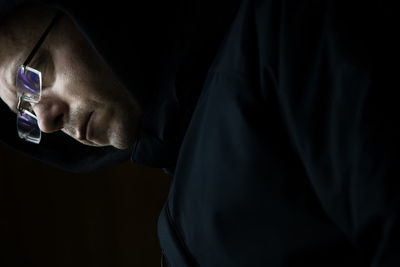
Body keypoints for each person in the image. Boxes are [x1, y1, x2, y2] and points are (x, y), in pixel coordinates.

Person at [0, 1, 399, 266]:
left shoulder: (279, 38)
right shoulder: (176, 217)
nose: (46, 122)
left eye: (33, 76)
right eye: (25, 111)